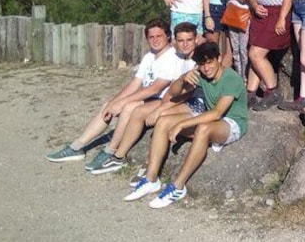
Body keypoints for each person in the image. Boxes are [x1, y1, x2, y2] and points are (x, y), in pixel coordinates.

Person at [45, 20, 191, 165]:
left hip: (163, 100)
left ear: (168, 37)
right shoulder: (150, 56)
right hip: (149, 97)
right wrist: (115, 102)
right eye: (151, 37)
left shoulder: (171, 57)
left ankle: (111, 150)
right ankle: (77, 146)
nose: (155, 40)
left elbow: (156, 88)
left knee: (128, 108)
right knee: (108, 105)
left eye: (159, 36)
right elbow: (135, 83)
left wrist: (123, 102)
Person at [123, 41, 248, 209]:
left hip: (231, 122)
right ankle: (151, 178)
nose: (206, 68)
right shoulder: (201, 74)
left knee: (203, 129)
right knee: (164, 121)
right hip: (210, 118)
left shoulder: (231, 78)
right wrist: (182, 79)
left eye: (210, 62)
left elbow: (217, 113)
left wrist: (182, 124)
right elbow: (173, 93)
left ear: (218, 59)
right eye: (202, 64)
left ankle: (177, 186)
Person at [85, 22, 199, 174]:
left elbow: (183, 94)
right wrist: (116, 101)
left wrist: (160, 110)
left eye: (189, 40)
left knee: (138, 111)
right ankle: (113, 153)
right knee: (132, 109)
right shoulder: (179, 58)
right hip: (170, 100)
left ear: (196, 39)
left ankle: (118, 156)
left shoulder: (196, 62)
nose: (184, 44)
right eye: (181, 41)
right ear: (175, 41)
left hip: (182, 103)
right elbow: (168, 91)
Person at [245, 0, 295, 110]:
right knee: (255, 55)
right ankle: (250, 93)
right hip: (260, 16)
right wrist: (254, 3)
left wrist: (282, 18)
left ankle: (272, 91)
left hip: (276, 14)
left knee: (255, 54)